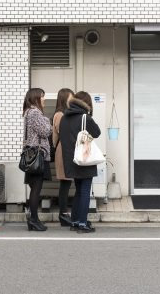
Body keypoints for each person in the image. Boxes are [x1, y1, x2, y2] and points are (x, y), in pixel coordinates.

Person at [59, 91, 101, 233]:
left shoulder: (64, 117)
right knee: (84, 191)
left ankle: (75, 221)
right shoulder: (85, 117)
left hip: (71, 160)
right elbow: (97, 132)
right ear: (87, 104)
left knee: (78, 191)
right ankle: (82, 224)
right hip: (84, 159)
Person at [22, 88, 53, 232]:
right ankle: (33, 220)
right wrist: (48, 121)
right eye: (42, 97)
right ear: (36, 98)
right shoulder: (35, 113)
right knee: (36, 189)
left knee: (34, 188)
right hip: (37, 156)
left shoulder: (29, 112)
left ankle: (33, 219)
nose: (44, 99)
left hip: (31, 155)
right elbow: (46, 131)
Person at [52, 88, 75, 227]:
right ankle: (63, 214)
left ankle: (64, 214)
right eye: (71, 97)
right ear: (64, 98)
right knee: (65, 184)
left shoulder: (63, 114)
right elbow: (61, 134)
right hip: (64, 150)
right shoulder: (60, 115)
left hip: (65, 149)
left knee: (66, 183)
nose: (72, 100)